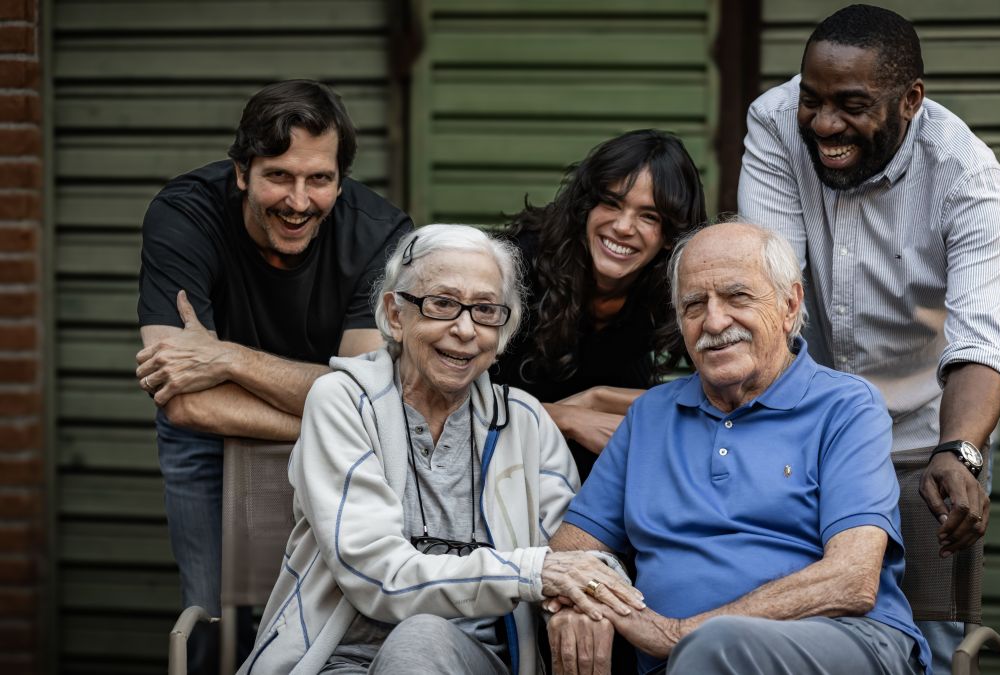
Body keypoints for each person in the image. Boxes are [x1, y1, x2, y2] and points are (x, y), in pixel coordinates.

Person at [738, 5, 1000, 671]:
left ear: (911, 100)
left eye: (853, 105)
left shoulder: (967, 178)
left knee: (932, 642)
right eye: (813, 99)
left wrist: (964, 455)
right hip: (809, 429)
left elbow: (982, 340)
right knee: (791, 622)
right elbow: (771, 293)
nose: (825, 124)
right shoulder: (775, 124)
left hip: (929, 440)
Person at [238, 225, 643, 675]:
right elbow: (379, 576)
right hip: (342, 659)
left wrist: (575, 600)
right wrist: (531, 572)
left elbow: (576, 553)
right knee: (418, 635)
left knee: (423, 637)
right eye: (443, 304)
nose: (466, 329)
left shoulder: (525, 422)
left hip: (474, 661)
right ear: (395, 314)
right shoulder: (342, 403)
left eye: (486, 310)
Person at [545, 221, 930, 675]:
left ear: (789, 306)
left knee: (715, 648)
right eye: (694, 305)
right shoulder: (651, 416)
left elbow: (852, 580)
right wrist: (578, 599)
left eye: (737, 297)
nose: (714, 321)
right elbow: (568, 552)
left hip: (848, 640)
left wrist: (678, 633)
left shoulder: (845, 406)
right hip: (682, 662)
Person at [134, 80, 413, 673]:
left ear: (341, 178)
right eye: (278, 176)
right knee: (214, 621)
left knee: (331, 618)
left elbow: (373, 402)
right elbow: (180, 402)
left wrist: (227, 359)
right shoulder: (184, 214)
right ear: (242, 173)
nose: (299, 199)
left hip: (337, 442)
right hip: (208, 439)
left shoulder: (380, 234)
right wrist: (335, 403)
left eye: (320, 179)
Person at [495, 129, 708, 479]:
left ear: (671, 236)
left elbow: (720, 394)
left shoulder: (670, 290)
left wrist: (599, 397)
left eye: (649, 216)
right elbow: (451, 402)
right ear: (585, 207)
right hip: (497, 465)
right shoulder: (515, 267)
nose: (623, 227)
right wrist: (565, 417)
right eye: (611, 203)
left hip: (592, 479)